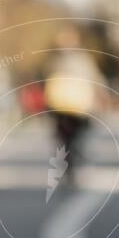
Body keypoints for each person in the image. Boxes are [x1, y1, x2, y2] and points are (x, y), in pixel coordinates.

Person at [43, 27, 106, 183]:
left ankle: (70, 165)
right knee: (70, 138)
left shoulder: (58, 60)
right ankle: (70, 165)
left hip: (73, 107)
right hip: (67, 107)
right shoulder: (62, 60)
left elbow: (94, 78)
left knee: (70, 138)